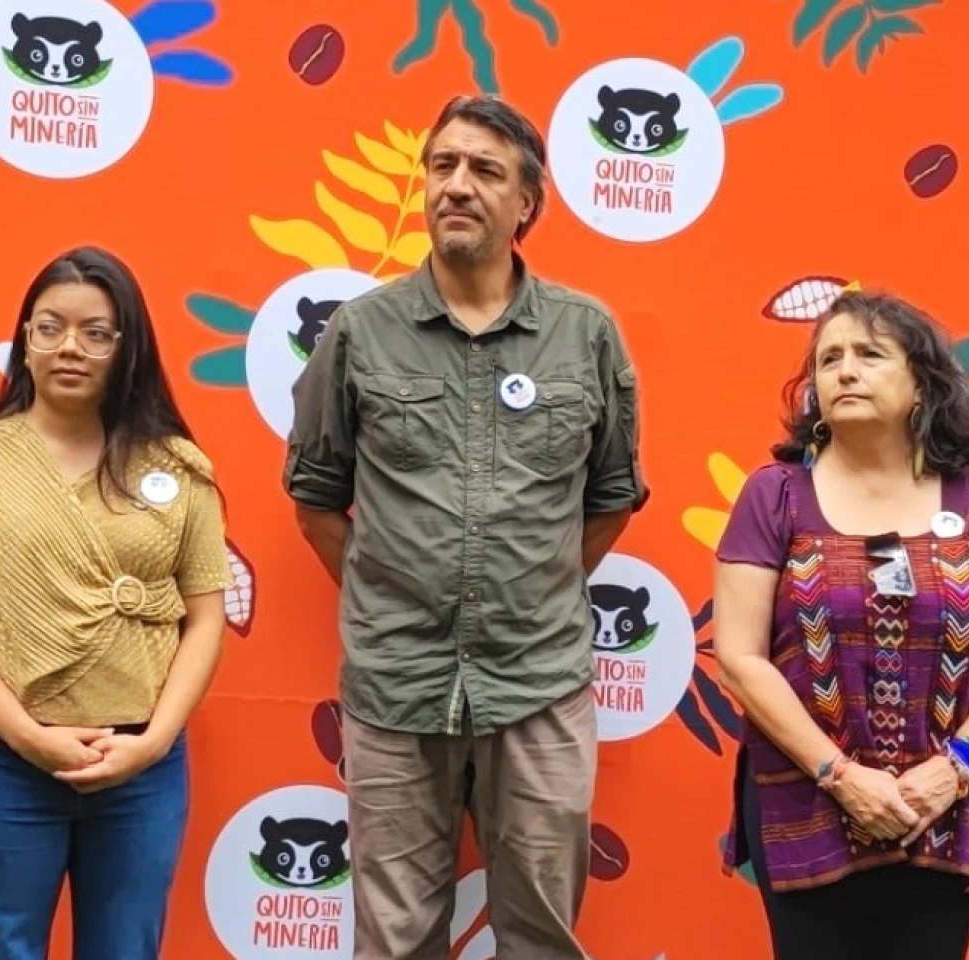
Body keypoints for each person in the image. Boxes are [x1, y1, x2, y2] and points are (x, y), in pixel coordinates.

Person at [283, 94, 648, 959]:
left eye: (485, 170)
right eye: (442, 165)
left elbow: (611, 496)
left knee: (542, 939)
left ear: (527, 204)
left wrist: (533, 586)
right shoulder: (361, 332)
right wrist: (389, 589)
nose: (456, 185)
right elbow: (315, 497)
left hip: (539, 686)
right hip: (395, 688)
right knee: (394, 942)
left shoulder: (585, 335)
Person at [0, 246, 233, 960]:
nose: (70, 348)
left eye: (96, 332)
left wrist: (152, 742)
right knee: (2, 949)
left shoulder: (178, 467)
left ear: (127, 347)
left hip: (141, 768)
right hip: (4, 763)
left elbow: (206, 621)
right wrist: (29, 737)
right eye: (49, 327)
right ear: (25, 340)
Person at [713, 289, 969, 960]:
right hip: (807, 798)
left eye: (869, 355)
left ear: (922, 384)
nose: (845, 371)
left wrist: (956, 767)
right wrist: (839, 774)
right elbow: (740, 657)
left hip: (947, 804)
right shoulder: (774, 496)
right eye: (829, 358)